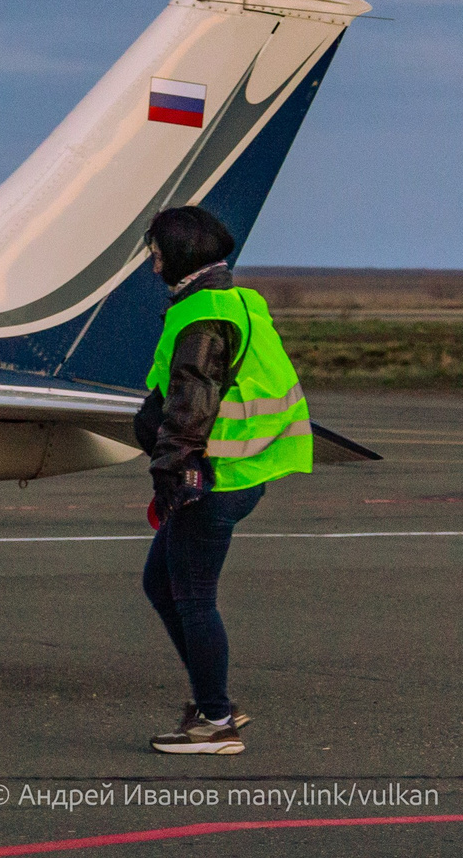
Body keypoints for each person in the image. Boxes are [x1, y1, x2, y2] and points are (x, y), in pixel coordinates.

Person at [133, 204, 312, 756]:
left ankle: (215, 723)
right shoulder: (239, 301)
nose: (153, 262)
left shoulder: (203, 318)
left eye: (157, 253)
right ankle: (217, 703)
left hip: (211, 481)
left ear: (177, 257)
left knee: (193, 598)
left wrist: (174, 474)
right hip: (241, 475)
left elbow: (191, 402)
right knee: (161, 584)